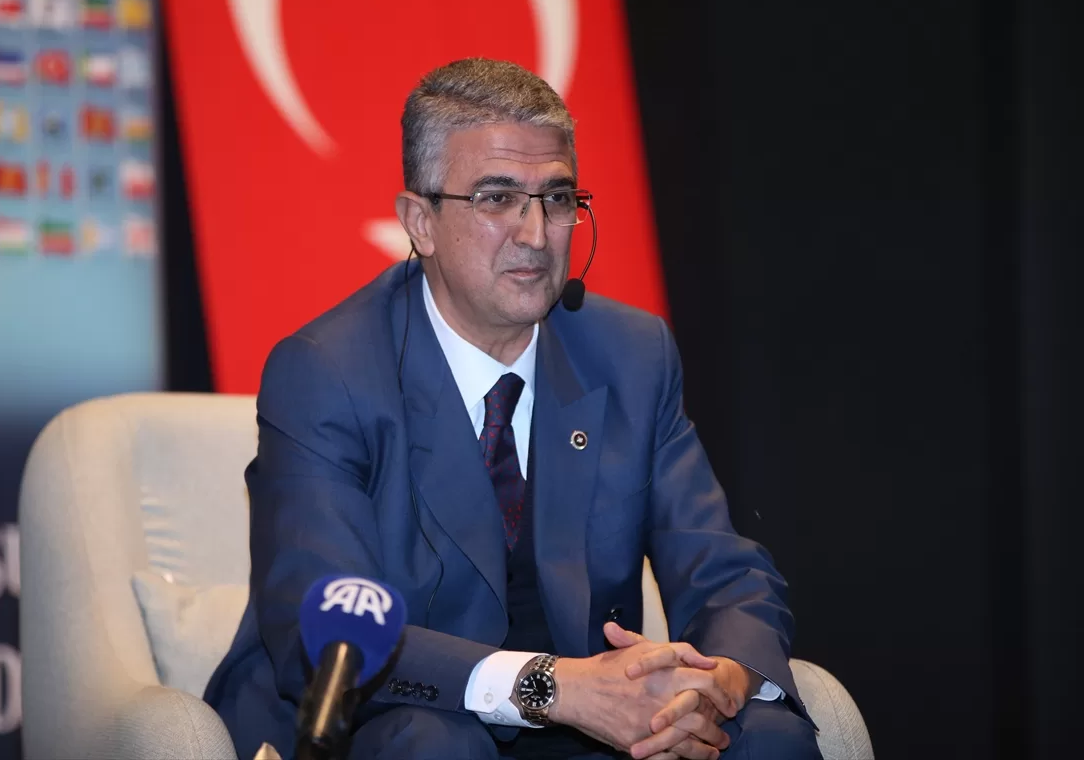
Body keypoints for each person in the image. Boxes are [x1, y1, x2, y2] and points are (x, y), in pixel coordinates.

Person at [204, 58, 820, 760]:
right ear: (420, 222)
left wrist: (717, 683)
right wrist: (550, 686)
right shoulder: (328, 371)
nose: (536, 234)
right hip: (393, 717)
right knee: (437, 745)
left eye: (557, 198)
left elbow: (724, 572)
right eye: (497, 199)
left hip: (582, 727)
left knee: (765, 737)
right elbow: (322, 633)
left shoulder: (630, 355)